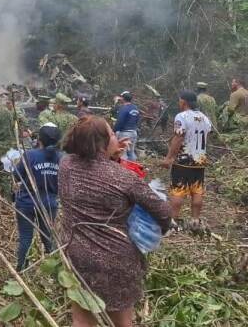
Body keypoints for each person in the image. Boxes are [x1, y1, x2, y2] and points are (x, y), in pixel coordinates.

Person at [59, 116, 171, 327]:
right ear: (101, 142)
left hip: (75, 253)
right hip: (117, 260)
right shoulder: (124, 177)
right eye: (111, 134)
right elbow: (163, 212)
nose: (115, 137)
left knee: (82, 319)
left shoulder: (66, 165)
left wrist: (112, 157)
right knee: (121, 322)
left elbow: (93, 172)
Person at [13, 124, 62, 271]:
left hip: (26, 203)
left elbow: (16, 176)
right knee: (48, 237)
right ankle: (57, 271)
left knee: (25, 238)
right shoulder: (62, 159)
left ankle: (21, 270)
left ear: (39, 139)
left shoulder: (30, 155)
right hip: (49, 204)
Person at [161, 90, 212, 227]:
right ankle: (195, 220)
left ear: (183, 101)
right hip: (200, 160)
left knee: (178, 190)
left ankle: (172, 222)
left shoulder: (181, 116)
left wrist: (169, 158)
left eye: (179, 100)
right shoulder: (205, 118)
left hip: (184, 160)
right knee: (197, 189)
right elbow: (206, 137)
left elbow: (179, 137)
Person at [113, 91, 141, 161]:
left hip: (125, 133)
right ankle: (132, 169)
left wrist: (114, 130)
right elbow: (138, 120)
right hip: (134, 133)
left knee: (123, 153)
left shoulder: (124, 108)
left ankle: (123, 170)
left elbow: (120, 121)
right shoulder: (135, 108)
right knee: (131, 152)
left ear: (123, 98)